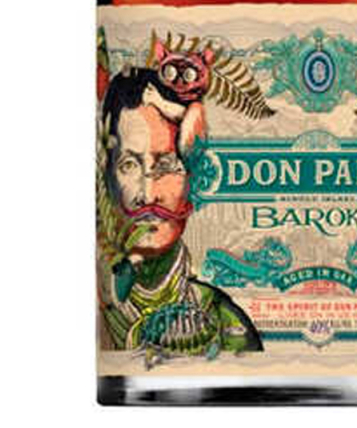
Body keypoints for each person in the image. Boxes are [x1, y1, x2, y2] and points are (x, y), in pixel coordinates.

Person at [97, 67, 262, 362]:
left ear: (192, 180)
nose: (148, 194)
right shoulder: (99, 312)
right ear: (107, 176)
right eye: (129, 165)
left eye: (166, 165)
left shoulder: (225, 322)